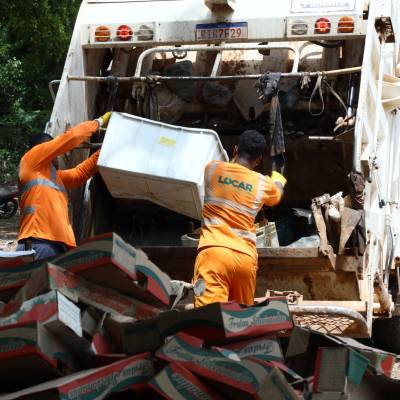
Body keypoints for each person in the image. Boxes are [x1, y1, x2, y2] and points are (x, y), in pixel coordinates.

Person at [192, 130, 286, 307]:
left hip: (214, 254)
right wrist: (279, 180)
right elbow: (277, 197)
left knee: (208, 319)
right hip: (244, 260)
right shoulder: (263, 183)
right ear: (258, 161)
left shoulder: (212, 169)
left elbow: (228, 171)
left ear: (235, 149)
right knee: (241, 323)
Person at [16, 112, 111, 260]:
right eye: (52, 150)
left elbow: (81, 173)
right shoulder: (30, 160)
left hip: (58, 246)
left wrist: (108, 147)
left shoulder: (54, 178)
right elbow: (71, 138)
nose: (56, 154)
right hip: (39, 242)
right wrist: (98, 122)